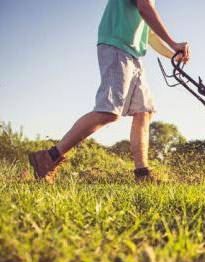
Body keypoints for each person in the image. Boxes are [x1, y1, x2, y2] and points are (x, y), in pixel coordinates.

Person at [28, 0, 190, 183]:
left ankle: (143, 175)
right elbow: (144, 7)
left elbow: (149, 32)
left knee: (144, 112)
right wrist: (174, 43)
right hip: (117, 47)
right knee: (109, 112)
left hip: (134, 54)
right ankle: (48, 158)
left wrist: (172, 54)